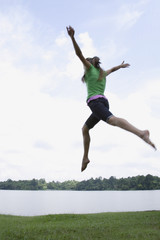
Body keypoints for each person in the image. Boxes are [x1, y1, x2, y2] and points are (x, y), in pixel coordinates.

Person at [66, 26, 156, 172]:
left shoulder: (89, 69)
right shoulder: (102, 73)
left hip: (95, 102)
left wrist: (72, 37)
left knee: (112, 120)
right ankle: (85, 157)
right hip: (103, 102)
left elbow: (79, 54)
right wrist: (120, 66)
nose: (85, 66)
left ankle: (141, 133)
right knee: (85, 129)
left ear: (89, 63)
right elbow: (112, 69)